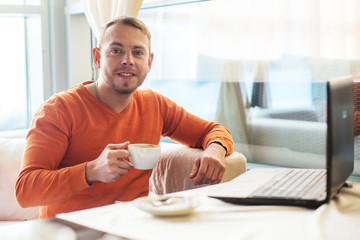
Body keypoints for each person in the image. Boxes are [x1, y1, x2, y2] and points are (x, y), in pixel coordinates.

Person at [15, 16, 234, 219]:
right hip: (71, 230)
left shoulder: (154, 104)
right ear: (98, 58)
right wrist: (91, 171)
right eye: (116, 51)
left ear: (149, 62)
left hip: (133, 225)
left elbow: (213, 131)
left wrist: (215, 150)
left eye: (138, 53)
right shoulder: (59, 109)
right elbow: (25, 191)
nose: (127, 60)